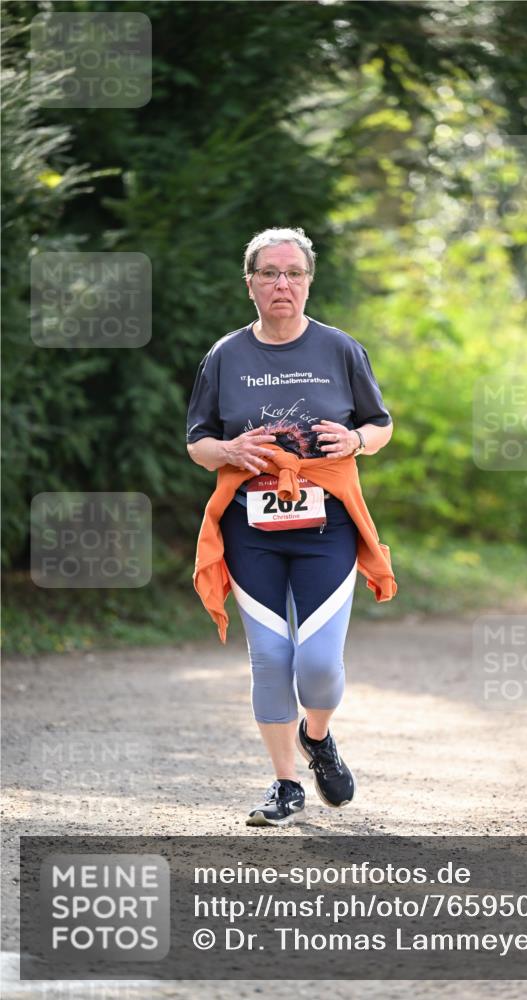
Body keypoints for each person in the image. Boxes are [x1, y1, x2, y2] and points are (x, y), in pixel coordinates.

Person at [186, 226, 394, 826]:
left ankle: (318, 737)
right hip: (251, 530)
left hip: (327, 527)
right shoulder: (226, 356)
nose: (283, 284)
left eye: (294, 273)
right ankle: (285, 786)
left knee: (319, 666)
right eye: (270, 273)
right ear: (250, 284)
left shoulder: (339, 349)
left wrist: (355, 438)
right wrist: (229, 451)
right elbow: (198, 443)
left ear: (308, 281)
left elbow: (380, 425)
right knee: (271, 659)